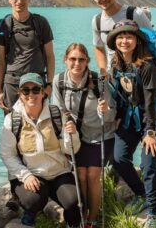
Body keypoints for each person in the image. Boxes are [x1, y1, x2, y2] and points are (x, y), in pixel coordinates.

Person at [0, 0, 56, 210]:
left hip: (37, 85)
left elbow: (50, 56)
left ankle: (44, 179)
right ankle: (16, 190)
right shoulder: (3, 25)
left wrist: (49, 84)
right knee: (14, 134)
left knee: (42, 131)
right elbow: (1, 60)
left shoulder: (40, 23)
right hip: (12, 85)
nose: (19, 0)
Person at [0, 73, 82, 228]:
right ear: (20, 94)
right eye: (26, 90)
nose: (31, 94)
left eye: (36, 89)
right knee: (32, 200)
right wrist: (26, 176)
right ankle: (30, 214)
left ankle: (72, 223)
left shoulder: (56, 114)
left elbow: (72, 150)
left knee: (73, 201)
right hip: (31, 174)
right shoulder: (12, 120)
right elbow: (7, 155)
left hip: (59, 173)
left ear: (43, 92)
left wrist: (72, 135)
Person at [107, 20, 156, 228]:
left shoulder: (147, 66)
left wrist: (150, 132)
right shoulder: (116, 65)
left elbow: (150, 102)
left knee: (148, 166)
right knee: (119, 158)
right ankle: (141, 194)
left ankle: (154, 213)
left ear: (137, 40)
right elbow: (119, 95)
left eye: (129, 37)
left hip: (153, 121)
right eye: (120, 37)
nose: (124, 41)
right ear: (115, 41)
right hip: (129, 120)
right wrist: (115, 115)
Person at [51, 43, 116, 228]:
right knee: (80, 175)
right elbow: (58, 110)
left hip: (100, 135)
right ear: (65, 60)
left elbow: (112, 115)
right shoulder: (59, 81)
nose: (77, 63)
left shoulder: (99, 82)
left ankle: (91, 220)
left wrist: (106, 110)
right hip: (76, 137)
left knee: (92, 175)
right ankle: (81, 215)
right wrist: (66, 127)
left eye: (81, 59)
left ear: (87, 61)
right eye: (72, 59)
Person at [89, 0, 152, 79]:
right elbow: (99, 48)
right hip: (113, 76)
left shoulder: (135, 14)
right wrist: (103, 71)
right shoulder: (97, 21)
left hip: (140, 75)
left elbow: (152, 42)